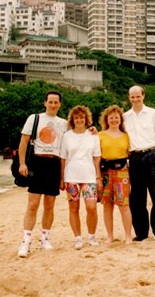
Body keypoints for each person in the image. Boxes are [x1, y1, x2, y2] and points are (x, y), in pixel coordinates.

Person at [16, 90, 68, 258]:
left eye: (56, 102)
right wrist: (22, 163)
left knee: (50, 205)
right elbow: (23, 142)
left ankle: (45, 238)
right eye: (50, 102)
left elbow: (67, 147)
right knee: (33, 204)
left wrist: (62, 176)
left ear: (60, 104)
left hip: (54, 163)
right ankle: (26, 240)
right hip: (37, 163)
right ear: (45, 103)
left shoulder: (64, 123)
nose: (53, 105)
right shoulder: (34, 118)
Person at [123, 85, 155, 241]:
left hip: (152, 154)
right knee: (137, 197)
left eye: (138, 96)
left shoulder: (153, 114)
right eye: (132, 97)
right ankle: (141, 233)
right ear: (129, 97)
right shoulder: (124, 117)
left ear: (143, 96)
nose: (135, 99)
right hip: (135, 158)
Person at [59, 105, 102, 250]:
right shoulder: (66, 136)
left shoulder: (93, 135)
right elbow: (63, 158)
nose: (79, 120)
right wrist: (61, 178)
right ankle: (78, 238)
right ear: (72, 119)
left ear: (86, 119)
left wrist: (98, 177)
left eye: (82, 117)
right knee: (74, 207)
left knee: (91, 207)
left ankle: (91, 236)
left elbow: (97, 157)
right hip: (71, 175)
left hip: (89, 175)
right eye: (76, 117)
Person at [98, 105, 133, 244]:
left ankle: (128, 235)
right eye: (111, 117)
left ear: (120, 120)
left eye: (116, 117)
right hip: (105, 172)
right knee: (107, 205)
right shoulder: (99, 135)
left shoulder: (126, 136)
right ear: (106, 119)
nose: (114, 120)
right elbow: (96, 156)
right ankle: (110, 236)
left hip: (122, 172)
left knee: (124, 205)